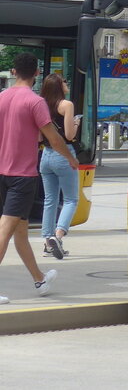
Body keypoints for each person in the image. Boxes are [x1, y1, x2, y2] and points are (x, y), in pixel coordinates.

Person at [0, 52, 77, 303]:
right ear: (36, 73)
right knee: (4, 231)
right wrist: (70, 158)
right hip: (22, 176)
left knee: (20, 232)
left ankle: (40, 279)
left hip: (2, 172)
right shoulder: (35, 102)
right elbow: (54, 138)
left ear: (14, 71)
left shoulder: (2, 97)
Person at [38, 73, 80, 260]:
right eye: (64, 81)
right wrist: (76, 124)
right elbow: (69, 135)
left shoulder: (41, 105)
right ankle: (58, 235)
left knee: (50, 200)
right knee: (71, 199)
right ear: (58, 86)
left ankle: (48, 241)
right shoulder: (67, 105)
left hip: (45, 155)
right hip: (64, 154)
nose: (66, 83)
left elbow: (39, 137)